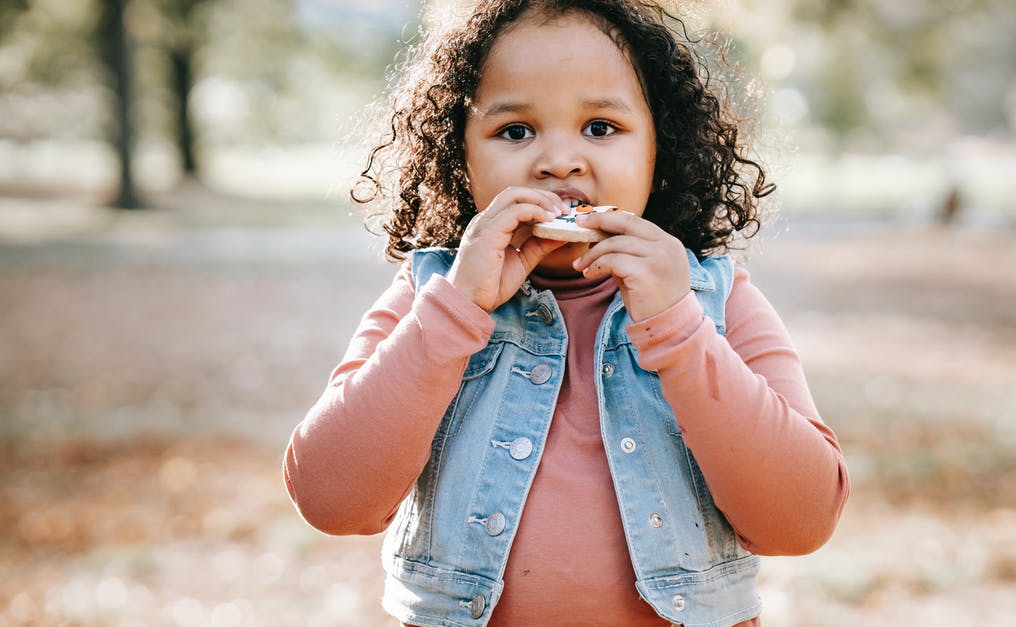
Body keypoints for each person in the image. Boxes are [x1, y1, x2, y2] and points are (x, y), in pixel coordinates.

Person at [283, 1, 850, 625]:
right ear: (459, 154)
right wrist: (451, 313)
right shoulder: (431, 297)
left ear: (661, 147)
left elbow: (801, 521)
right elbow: (331, 501)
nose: (559, 160)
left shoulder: (716, 299)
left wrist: (680, 330)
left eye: (601, 127)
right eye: (516, 131)